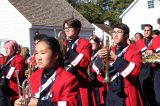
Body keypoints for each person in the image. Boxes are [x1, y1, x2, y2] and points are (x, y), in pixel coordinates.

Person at [14, 36, 79, 106]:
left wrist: (39, 103)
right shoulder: (34, 76)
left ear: (55, 55)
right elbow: (28, 99)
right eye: (36, 53)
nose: (38, 58)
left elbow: (70, 104)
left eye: (43, 53)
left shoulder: (68, 79)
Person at [99, 23, 143, 106]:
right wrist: (100, 59)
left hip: (127, 91)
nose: (115, 35)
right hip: (111, 90)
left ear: (126, 35)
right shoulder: (110, 50)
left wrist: (116, 59)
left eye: (119, 32)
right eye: (114, 32)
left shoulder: (134, 51)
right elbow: (103, 71)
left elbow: (136, 71)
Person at [63, 18, 95, 106]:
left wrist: (69, 50)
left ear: (77, 29)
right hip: (65, 82)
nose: (67, 30)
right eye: (65, 28)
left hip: (80, 82)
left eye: (70, 27)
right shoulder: (63, 43)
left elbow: (85, 62)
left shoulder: (85, 43)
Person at [135, 24, 156, 105]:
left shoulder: (156, 41)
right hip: (143, 69)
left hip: (155, 69)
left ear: (151, 31)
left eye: (148, 30)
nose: (146, 32)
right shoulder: (138, 43)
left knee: (154, 91)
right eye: (145, 30)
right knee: (144, 90)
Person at [0, 40, 25, 106]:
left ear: (14, 48)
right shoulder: (3, 58)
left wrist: (3, 67)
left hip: (12, 89)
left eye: (8, 48)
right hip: (3, 87)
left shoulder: (19, 58)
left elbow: (17, 73)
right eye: (5, 48)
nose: (6, 50)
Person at [89, 34, 107, 106]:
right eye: (90, 43)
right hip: (93, 80)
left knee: (100, 101)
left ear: (98, 44)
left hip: (100, 80)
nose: (91, 45)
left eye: (93, 43)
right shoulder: (91, 53)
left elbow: (100, 67)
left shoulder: (101, 53)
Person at [145, 35, 160, 105]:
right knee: (158, 99)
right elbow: (146, 58)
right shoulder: (156, 39)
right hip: (158, 71)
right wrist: (149, 51)